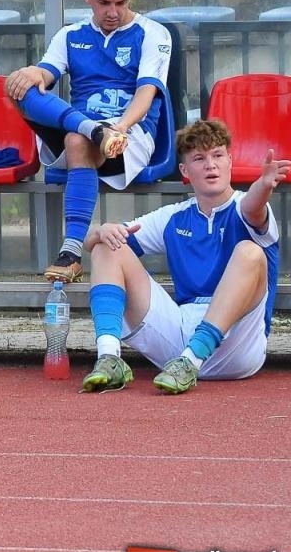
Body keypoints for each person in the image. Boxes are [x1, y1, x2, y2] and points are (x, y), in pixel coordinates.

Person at [80, 119, 284, 394]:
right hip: (176, 344)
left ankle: (193, 359)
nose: (210, 165)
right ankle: (108, 356)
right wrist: (99, 231)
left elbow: (253, 207)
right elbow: (95, 243)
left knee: (250, 251)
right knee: (110, 244)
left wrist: (263, 186)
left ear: (230, 162)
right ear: (185, 171)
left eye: (218, 155)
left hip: (236, 347)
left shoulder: (246, 207)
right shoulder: (173, 217)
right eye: (199, 158)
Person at [4, 0, 171, 283]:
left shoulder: (153, 33)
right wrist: (29, 72)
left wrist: (119, 128)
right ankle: (90, 129)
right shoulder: (70, 35)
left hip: (130, 134)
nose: (113, 11)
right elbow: (46, 73)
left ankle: (70, 251)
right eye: (104, 2)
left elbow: (146, 94)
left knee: (75, 137)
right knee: (17, 87)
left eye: (121, 2)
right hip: (85, 129)